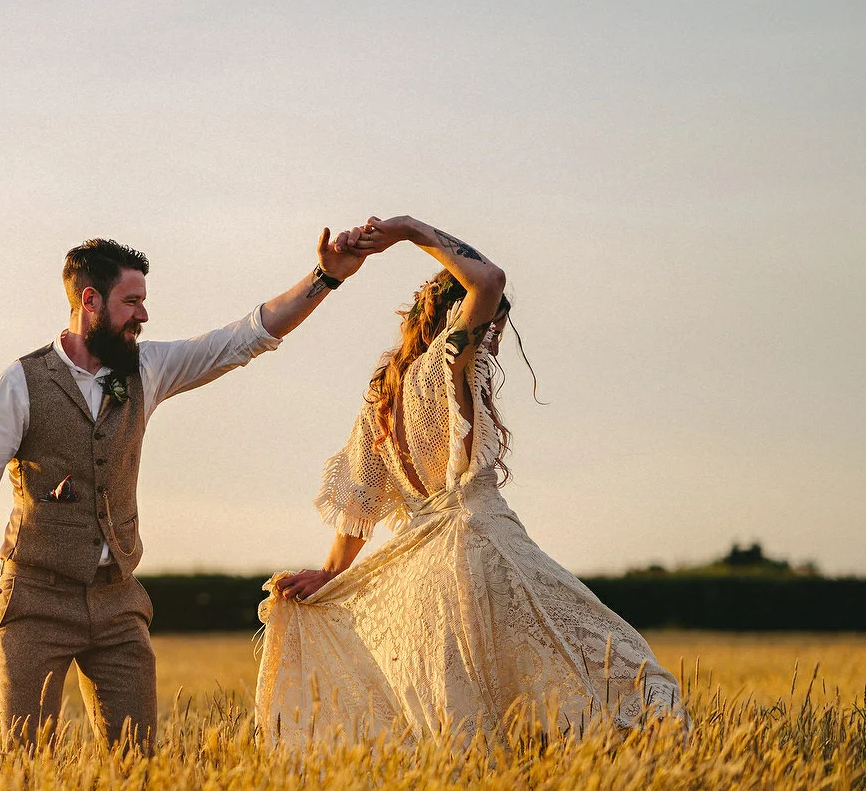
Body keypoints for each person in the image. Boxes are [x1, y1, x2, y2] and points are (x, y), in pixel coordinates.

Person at [257, 215, 687, 747]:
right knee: (622, 669)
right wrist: (410, 230)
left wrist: (329, 573)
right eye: (494, 326)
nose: (497, 339)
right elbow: (490, 280)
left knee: (475, 717)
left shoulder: (383, 402)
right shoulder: (448, 359)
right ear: (460, 315)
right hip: (487, 551)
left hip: (427, 576)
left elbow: (359, 503)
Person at [0, 229, 380, 750]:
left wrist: (326, 278)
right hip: (36, 598)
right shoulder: (20, 381)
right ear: (90, 300)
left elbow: (242, 337)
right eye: (131, 302)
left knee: (139, 762)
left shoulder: (147, 367)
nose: (143, 316)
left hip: (118, 601)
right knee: (24, 757)